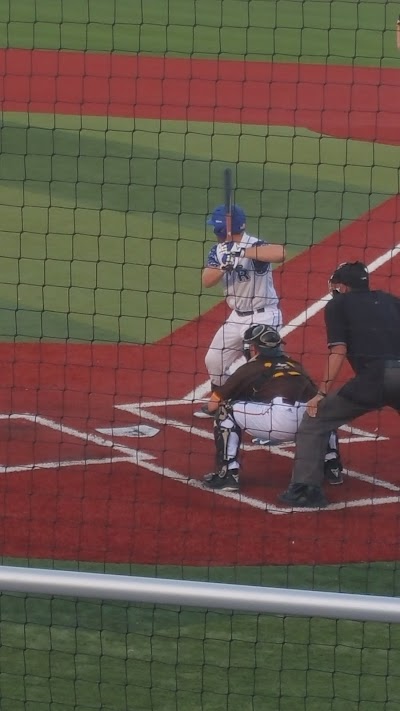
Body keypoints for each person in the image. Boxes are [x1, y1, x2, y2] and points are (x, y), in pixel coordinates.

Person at [279, 260, 400, 509]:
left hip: (373, 379)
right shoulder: (391, 300)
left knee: (316, 419)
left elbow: (338, 351)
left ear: (343, 287)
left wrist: (321, 393)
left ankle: (305, 490)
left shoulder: (338, 304)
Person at [203, 324, 342, 492]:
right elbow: (316, 398)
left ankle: (227, 474)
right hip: (309, 426)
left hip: (277, 423)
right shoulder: (295, 365)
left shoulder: (249, 368)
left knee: (225, 409)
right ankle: (331, 466)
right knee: (322, 409)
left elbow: (212, 405)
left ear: (254, 348)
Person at [196, 203, 285, 418]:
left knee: (260, 366)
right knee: (214, 359)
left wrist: (242, 252)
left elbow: (280, 253)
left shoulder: (255, 245)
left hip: (264, 315)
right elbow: (206, 280)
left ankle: (272, 413)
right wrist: (223, 265)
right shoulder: (218, 251)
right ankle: (221, 403)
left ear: (220, 229)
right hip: (237, 317)